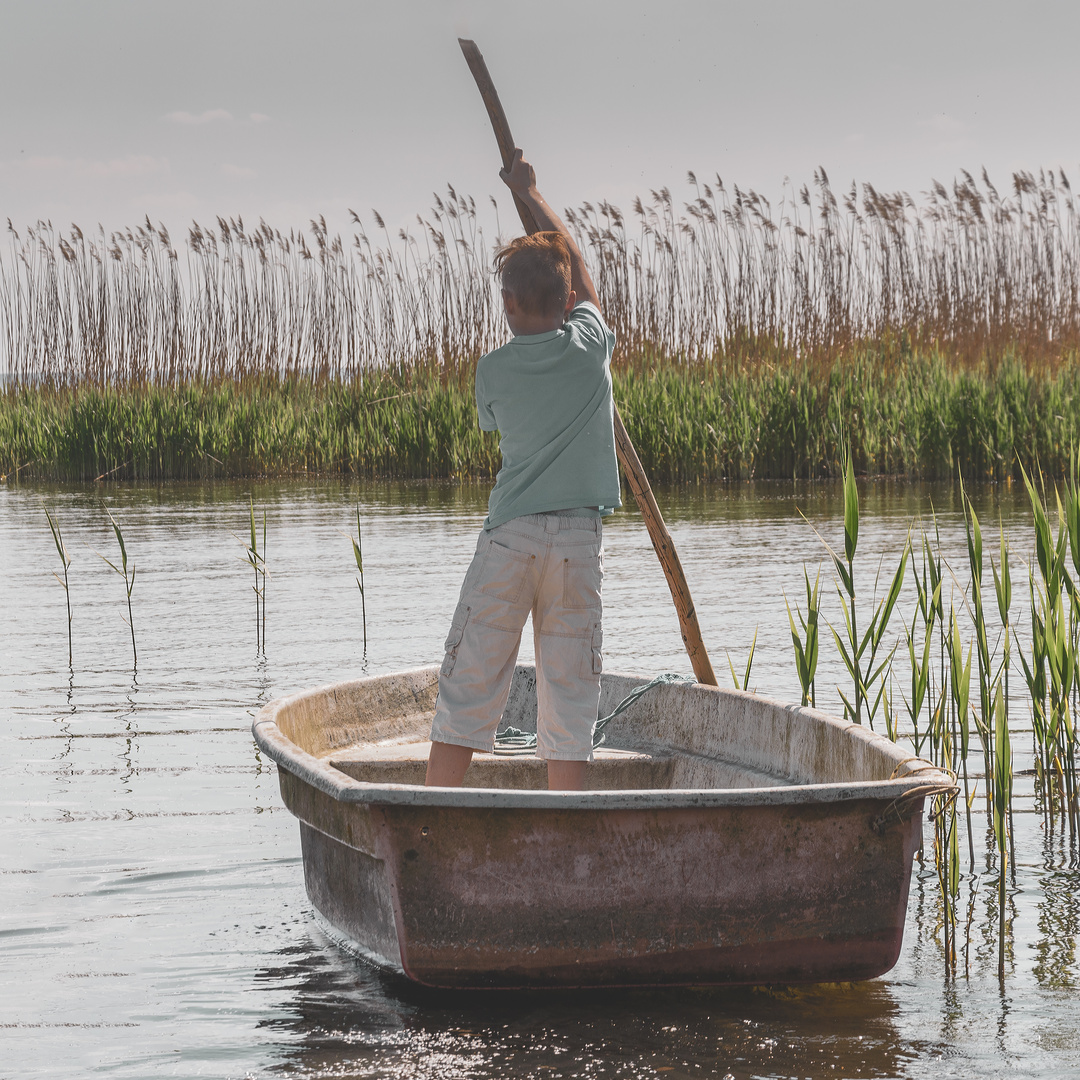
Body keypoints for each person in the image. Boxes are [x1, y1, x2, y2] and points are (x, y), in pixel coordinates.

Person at [425, 148, 620, 792]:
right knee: (569, 686)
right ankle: (564, 821)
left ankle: (433, 807)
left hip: (511, 536)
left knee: (471, 676)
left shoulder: (492, 370)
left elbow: (494, 427)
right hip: (576, 541)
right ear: (567, 300)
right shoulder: (590, 346)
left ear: (506, 303)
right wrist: (532, 193)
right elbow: (584, 276)